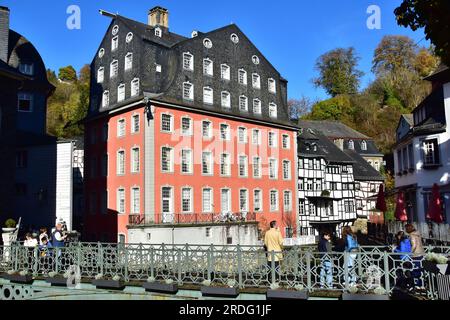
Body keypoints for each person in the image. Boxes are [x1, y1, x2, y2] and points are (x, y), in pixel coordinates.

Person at [405, 224, 425, 289]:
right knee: (420, 269)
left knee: (415, 270)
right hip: (421, 253)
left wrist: (410, 253)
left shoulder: (411, 235)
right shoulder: (418, 234)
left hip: (416, 254)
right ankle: (421, 284)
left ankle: (417, 285)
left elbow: (414, 245)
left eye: (406, 229)